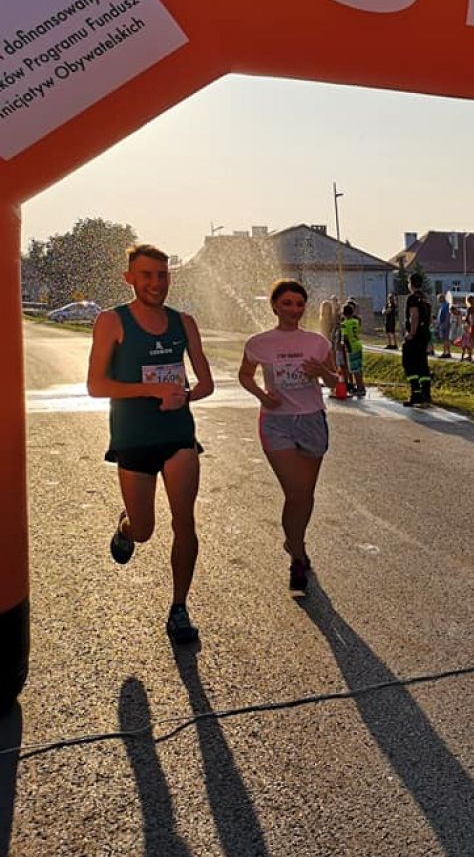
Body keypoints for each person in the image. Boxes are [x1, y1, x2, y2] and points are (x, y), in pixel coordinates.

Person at [86, 243, 215, 644]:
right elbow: (96, 386)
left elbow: (206, 384)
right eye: (146, 275)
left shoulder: (184, 322)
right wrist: (151, 390)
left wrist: (185, 396)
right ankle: (126, 527)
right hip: (134, 438)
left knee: (184, 521)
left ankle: (179, 608)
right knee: (145, 529)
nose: (155, 283)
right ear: (129, 278)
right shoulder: (112, 320)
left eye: (162, 275)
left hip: (178, 437)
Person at [237, 280, 340, 594]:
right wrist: (262, 396)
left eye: (299, 304)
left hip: (311, 421)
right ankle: (297, 558)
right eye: (287, 303)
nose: (294, 309)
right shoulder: (259, 343)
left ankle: (295, 542)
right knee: (295, 492)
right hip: (276, 423)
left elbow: (337, 381)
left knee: (304, 495)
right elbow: (245, 374)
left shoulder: (317, 343)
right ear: (274, 306)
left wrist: (321, 372)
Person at [403, 275, 433, 406]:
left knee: (409, 364)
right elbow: (429, 319)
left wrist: (411, 333)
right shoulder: (425, 298)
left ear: (411, 284)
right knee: (422, 365)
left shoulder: (412, 298)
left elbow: (414, 316)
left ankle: (415, 393)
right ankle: (426, 394)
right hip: (424, 335)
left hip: (415, 336)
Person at [340, 303, 366, 397]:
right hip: (358, 344)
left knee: (355, 370)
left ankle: (359, 389)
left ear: (343, 314)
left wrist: (345, 346)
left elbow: (345, 337)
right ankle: (362, 387)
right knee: (359, 368)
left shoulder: (344, 324)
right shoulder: (356, 321)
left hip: (352, 347)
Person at [436, 291, 453, 358]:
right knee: (446, 339)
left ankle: (445, 352)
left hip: (445, 324)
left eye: (438, 299)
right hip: (443, 323)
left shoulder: (446, 305)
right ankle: (448, 352)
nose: (438, 300)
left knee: (445, 339)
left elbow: (447, 315)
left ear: (442, 298)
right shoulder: (443, 305)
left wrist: (446, 323)